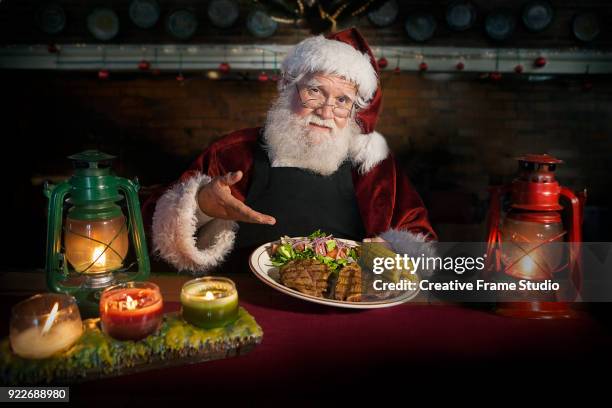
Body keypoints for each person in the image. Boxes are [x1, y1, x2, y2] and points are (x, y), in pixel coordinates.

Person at [142, 28, 437, 274]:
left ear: (354, 110)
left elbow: (419, 239)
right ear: (287, 88)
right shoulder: (233, 153)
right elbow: (153, 225)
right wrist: (201, 205)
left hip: (344, 303)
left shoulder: (373, 166)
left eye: (342, 100)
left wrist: (397, 254)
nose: (325, 110)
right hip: (245, 295)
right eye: (314, 91)